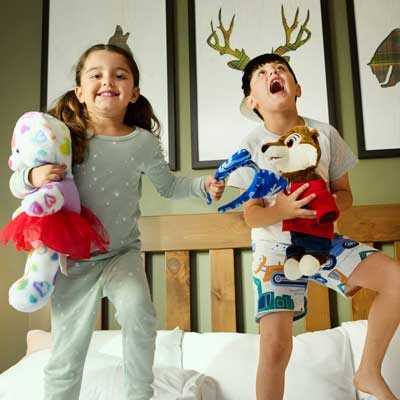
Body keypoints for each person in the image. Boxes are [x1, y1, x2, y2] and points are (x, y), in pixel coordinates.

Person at [9, 43, 224, 400]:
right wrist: (33, 176)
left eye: (119, 75)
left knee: (140, 315)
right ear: (79, 90)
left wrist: (204, 185)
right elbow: (17, 182)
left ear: (134, 92)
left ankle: (139, 395)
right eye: (96, 74)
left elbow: (169, 186)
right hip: (71, 261)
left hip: (120, 253)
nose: (107, 80)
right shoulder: (65, 137)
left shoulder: (143, 143)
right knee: (66, 352)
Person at [228, 53, 400, 400]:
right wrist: (285, 208)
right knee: (275, 348)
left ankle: (367, 371)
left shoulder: (324, 133)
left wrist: (328, 206)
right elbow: (252, 215)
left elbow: (345, 194)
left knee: (396, 280)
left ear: (297, 88)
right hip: (274, 251)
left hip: (323, 241)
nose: (272, 73)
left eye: (280, 69)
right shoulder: (250, 147)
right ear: (252, 100)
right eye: (261, 74)